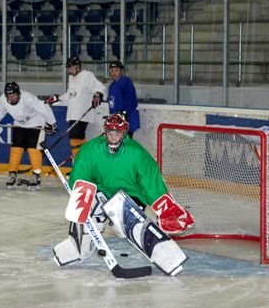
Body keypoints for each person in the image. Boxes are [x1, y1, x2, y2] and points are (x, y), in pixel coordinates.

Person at [53, 113, 194, 265]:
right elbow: (80, 179)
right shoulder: (90, 149)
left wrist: (167, 211)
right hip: (102, 192)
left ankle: (165, 255)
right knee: (91, 211)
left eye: (117, 132)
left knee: (122, 222)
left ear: (124, 133)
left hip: (130, 195)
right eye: (110, 132)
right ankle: (78, 248)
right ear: (105, 132)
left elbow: (151, 183)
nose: (113, 137)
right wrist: (80, 201)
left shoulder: (137, 153)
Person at [0, 81, 58, 190]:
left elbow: (44, 108)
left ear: (18, 93)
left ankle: (36, 176)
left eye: (13, 95)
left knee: (33, 148)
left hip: (36, 123)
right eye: (9, 96)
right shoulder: (3, 100)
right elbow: (0, 112)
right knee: (16, 148)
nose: (11, 98)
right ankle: (12, 174)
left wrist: (51, 123)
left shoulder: (28, 99)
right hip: (19, 124)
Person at [46, 56, 106, 159]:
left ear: (77, 67)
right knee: (75, 138)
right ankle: (81, 163)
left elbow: (101, 88)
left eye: (70, 68)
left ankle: (82, 163)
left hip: (82, 114)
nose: (68, 71)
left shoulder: (87, 75)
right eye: (68, 68)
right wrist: (57, 98)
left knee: (75, 137)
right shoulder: (72, 78)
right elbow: (71, 95)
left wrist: (99, 94)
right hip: (73, 114)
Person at [107, 60, 140, 137]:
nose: (114, 73)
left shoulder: (125, 81)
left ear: (121, 71)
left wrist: (123, 114)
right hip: (116, 121)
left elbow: (131, 101)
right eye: (112, 70)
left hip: (126, 120)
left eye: (116, 70)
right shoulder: (111, 86)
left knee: (125, 144)